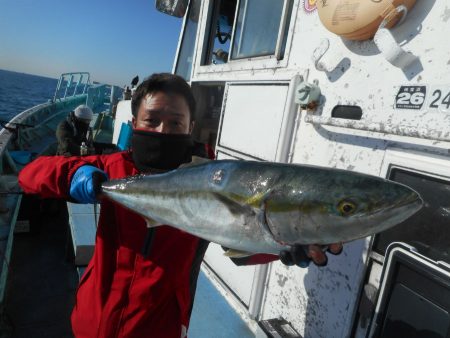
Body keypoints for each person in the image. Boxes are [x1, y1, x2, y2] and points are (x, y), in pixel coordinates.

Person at [18, 73, 342, 338]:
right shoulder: (113, 169)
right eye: (152, 120)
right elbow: (30, 175)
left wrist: (282, 244)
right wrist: (75, 173)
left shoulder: (211, 183)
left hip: (159, 329)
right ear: (134, 122)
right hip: (91, 321)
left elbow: (237, 243)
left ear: (189, 128)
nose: (163, 130)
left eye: (175, 123)